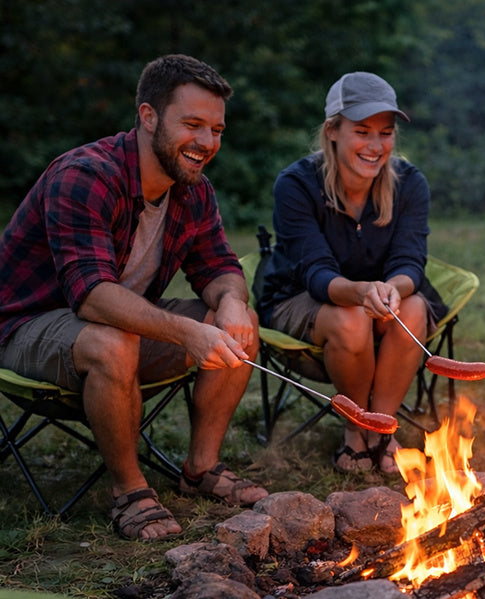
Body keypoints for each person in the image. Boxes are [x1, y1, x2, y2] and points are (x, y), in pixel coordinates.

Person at [0, 54, 268, 541]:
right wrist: (186, 331)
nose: (207, 142)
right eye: (192, 125)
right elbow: (92, 297)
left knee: (239, 320)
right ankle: (129, 491)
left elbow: (219, 268)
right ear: (148, 116)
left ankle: (200, 468)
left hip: (116, 327)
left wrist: (230, 301)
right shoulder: (85, 175)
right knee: (113, 341)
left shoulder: (193, 190)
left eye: (216, 130)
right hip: (27, 327)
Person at [256, 72, 446, 476]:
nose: (376, 146)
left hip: (379, 299)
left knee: (412, 308)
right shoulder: (297, 185)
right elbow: (315, 273)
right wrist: (361, 294)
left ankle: (381, 429)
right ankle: (356, 430)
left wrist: (390, 289)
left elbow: (410, 262)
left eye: (385, 133)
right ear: (333, 131)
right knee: (350, 319)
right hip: (301, 298)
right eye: (362, 132)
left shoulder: (409, 183)